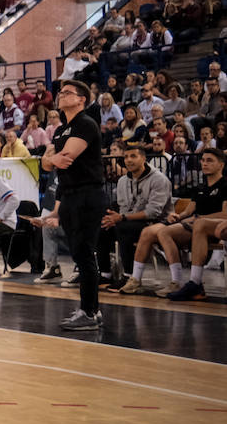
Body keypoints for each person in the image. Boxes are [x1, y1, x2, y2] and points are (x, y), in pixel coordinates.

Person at [41, 80, 107, 330]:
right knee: (80, 253)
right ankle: (92, 309)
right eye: (61, 92)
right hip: (68, 195)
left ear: (82, 99)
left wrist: (51, 158)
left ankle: (89, 312)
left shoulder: (85, 124)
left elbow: (64, 159)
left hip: (87, 194)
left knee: (84, 254)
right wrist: (50, 159)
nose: (61, 95)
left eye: (68, 93)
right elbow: (47, 164)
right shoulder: (60, 130)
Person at [122, 147, 227, 297]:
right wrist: (176, 216)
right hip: (192, 223)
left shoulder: (224, 185)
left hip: (211, 226)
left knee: (164, 232)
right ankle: (135, 280)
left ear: (221, 165)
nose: (204, 163)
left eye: (209, 160)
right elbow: (189, 211)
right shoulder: (201, 187)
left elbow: (225, 214)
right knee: (147, 232)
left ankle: (176, 282)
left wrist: (200, 218)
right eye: (202, 160)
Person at [99, 145, 170, 292]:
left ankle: (129, 276)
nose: (128, 160)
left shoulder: (159, 179)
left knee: (123, 228)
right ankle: (105, 274)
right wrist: (116, 218)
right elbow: (123, 207)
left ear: (143, 159)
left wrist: (122, 218)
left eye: (133, 156)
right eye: (125, 157)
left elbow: (153, 212)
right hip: (130, 220)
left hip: (157, 223)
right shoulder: (122, 181)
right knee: (103, 226)